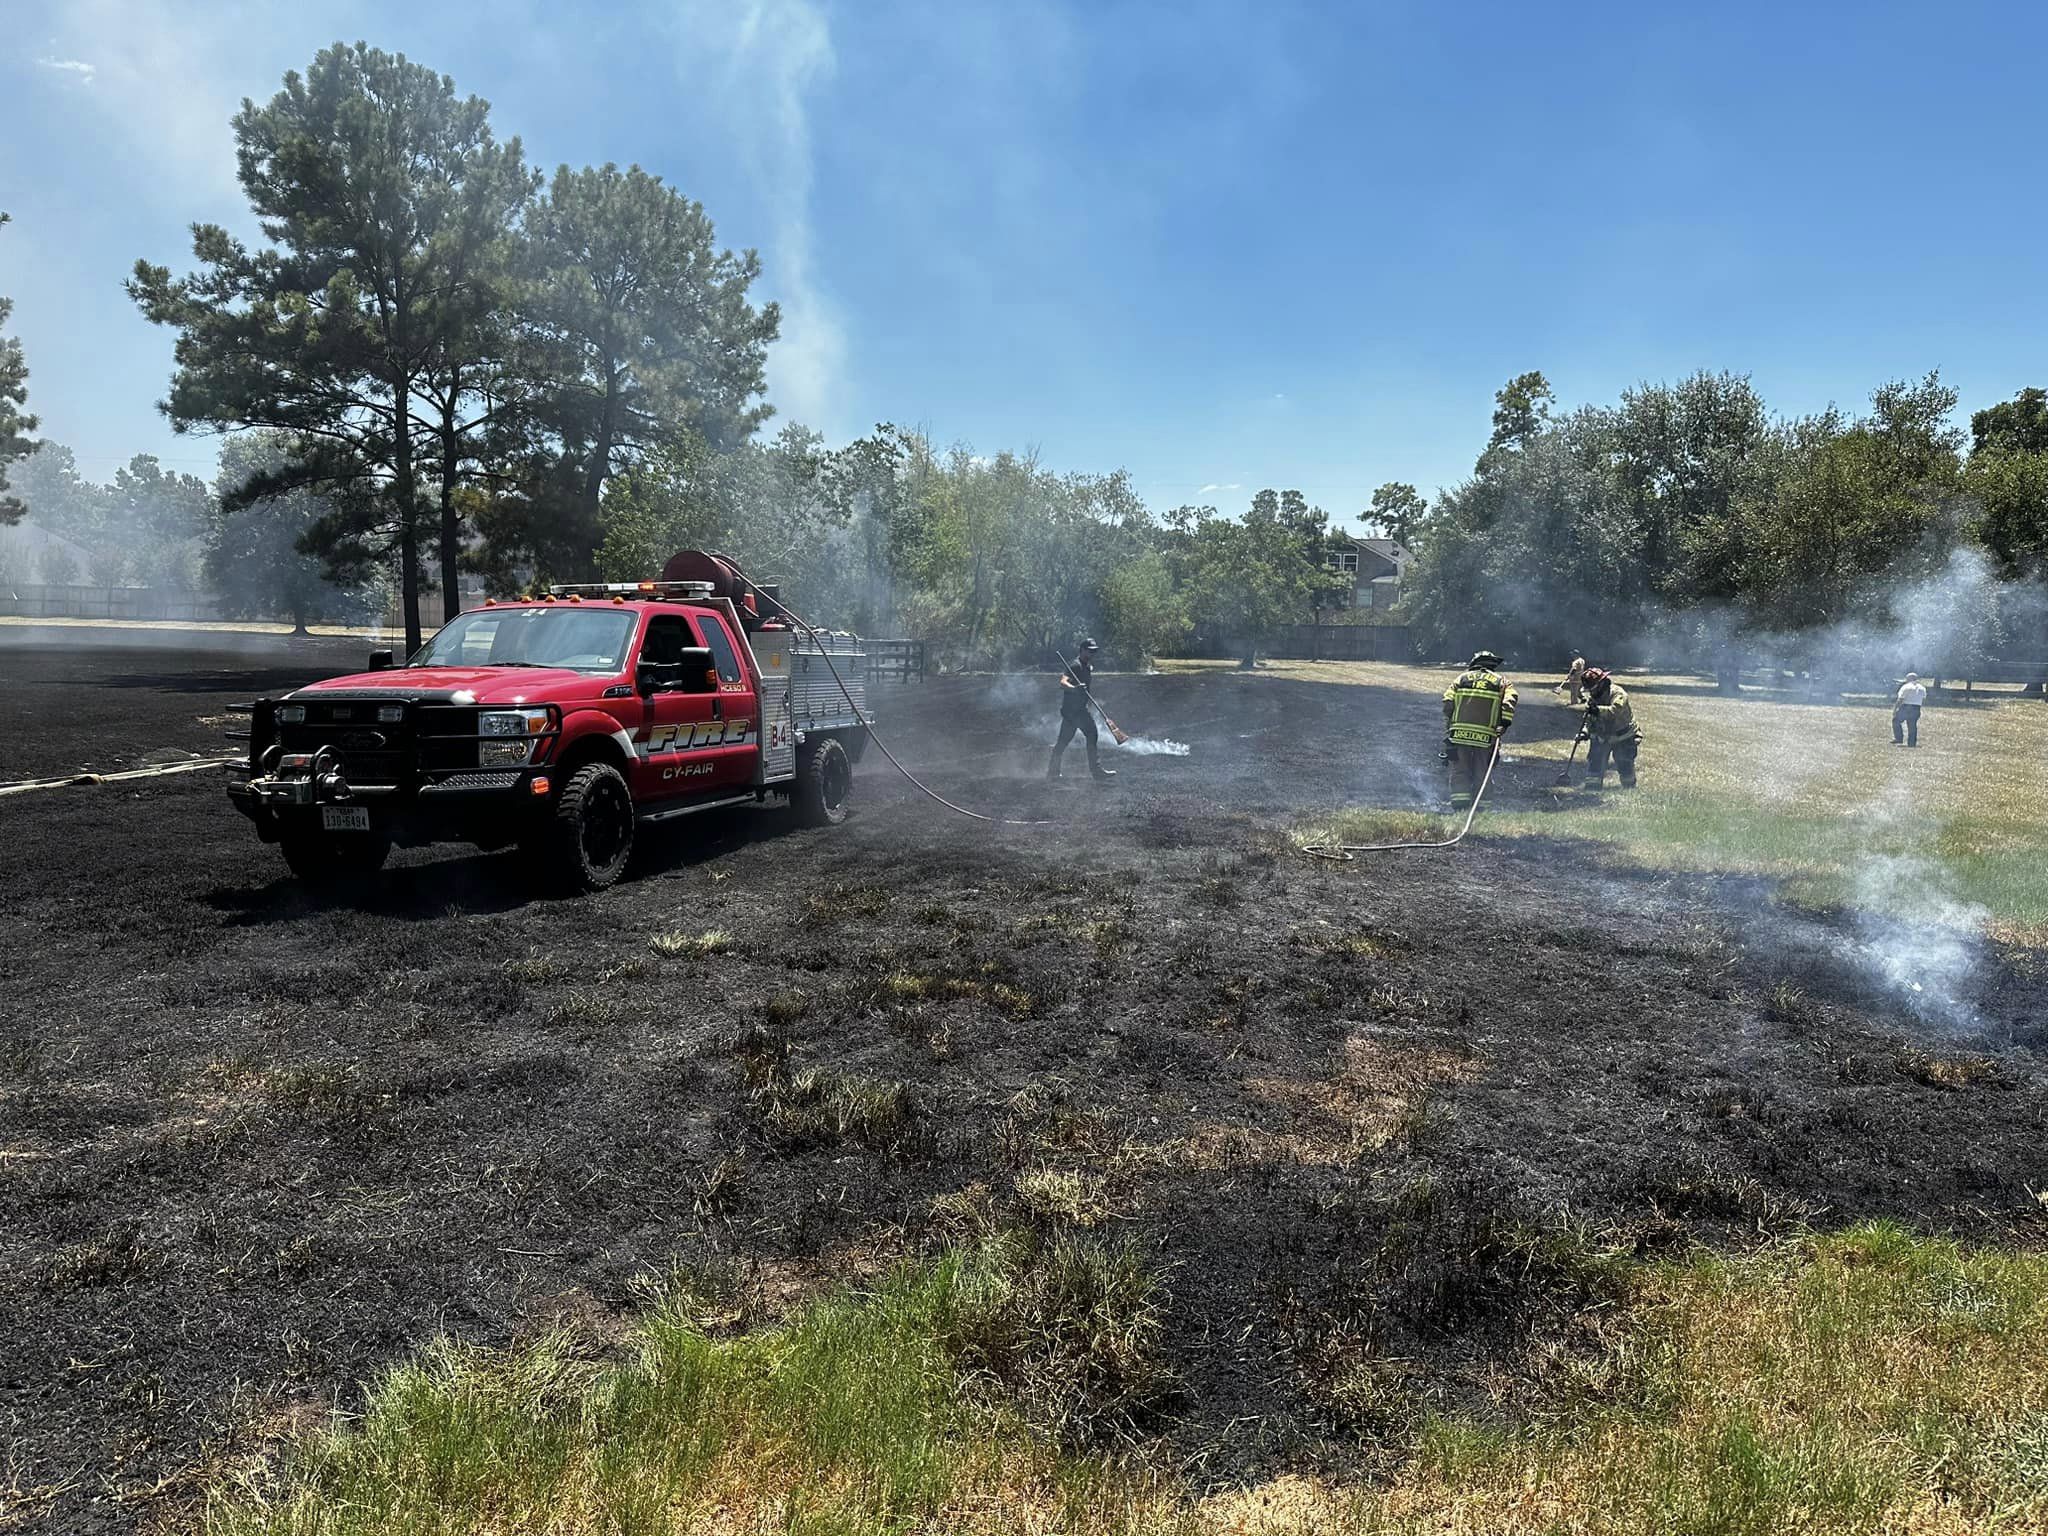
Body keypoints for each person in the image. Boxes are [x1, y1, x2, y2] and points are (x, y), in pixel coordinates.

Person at [1441, 650, 1517, 811]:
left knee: (1460, 769)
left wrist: (1450, 723)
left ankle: (1460, 806)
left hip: (1459, 734)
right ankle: (1482, 807)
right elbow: (1509, 702)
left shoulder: (1461, 679)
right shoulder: (1502, 681)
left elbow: (1447, 702)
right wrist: (1504, 723)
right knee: (1482, 770)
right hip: (1486, 735)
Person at [1049, 638, 1116, 781]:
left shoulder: (1087, 666)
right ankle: (1054, 772)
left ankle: (1094, 771)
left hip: (1079, 710)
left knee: (1090, 735)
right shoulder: (1075, 665)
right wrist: (1075, 689)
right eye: (1090, 651)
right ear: (1082, 650)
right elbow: (1062, 683)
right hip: (1072, 712)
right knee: (1065, 740)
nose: (1092, 654)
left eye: (1094, 651)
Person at [1577, 667, 1643, 789]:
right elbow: (1590, 718)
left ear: (1601, 683)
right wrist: (1585, 732)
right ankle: (1592, 792)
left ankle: (1629, 789)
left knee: (1624, 764)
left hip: (1623, 735)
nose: (1591, 693)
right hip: (1602, 736)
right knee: (1595, 764)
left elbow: (1615, 711)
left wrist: (1597, 710)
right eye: (1589, 690)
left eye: (1593, 689)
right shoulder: (1594, 697)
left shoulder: (1618, 694)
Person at [1893, 672, 1926, 747]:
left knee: (1896, 721)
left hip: (1906, 707)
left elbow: (1900, 699)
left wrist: (1895, 709)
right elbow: (1923, 698)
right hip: (1917, 708)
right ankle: (1912, 743)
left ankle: (1899, 738)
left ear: (1909, 679)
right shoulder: (1922, 688)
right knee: (1912, 725)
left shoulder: (1906, 687)